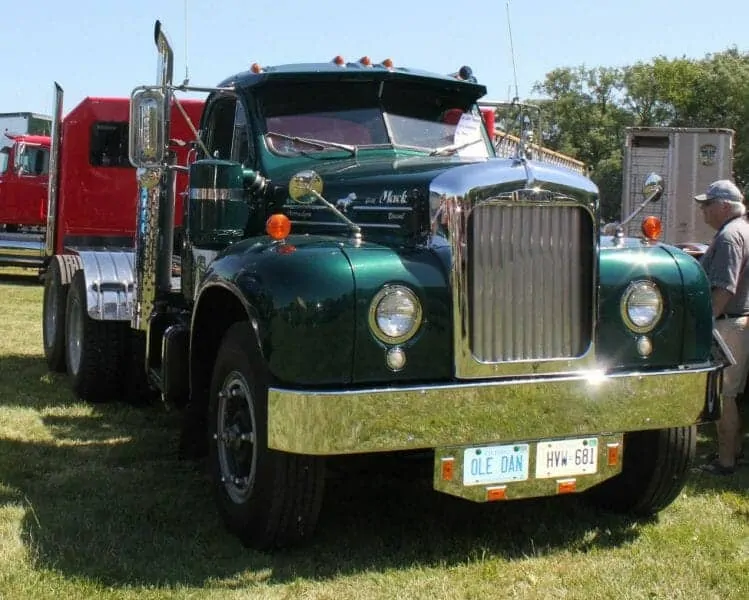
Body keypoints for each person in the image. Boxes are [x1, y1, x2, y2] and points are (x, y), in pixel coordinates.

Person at [695, 179, 749, 475]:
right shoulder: (743, 230)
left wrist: (707, 323)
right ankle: (734, 452)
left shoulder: (730, 236)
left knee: (723, 397)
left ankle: (725, 462)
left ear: (724, 205)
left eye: (707, 205)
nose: (703, 211)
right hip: (739, 324)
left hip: (727, 325)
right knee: (731, 396)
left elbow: (725, 288)